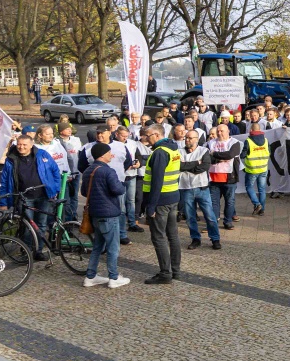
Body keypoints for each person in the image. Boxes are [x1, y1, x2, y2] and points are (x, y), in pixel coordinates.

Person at [0, 135, 62, 260]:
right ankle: (26, 252)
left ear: (31, 144)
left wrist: (55, 189)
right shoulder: (11, 160)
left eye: (24, 145)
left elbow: (55, 171)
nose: (21, 147)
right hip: (24, 198)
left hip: (44, 196)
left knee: (42, 225)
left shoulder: (42, 155)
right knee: (28, 227)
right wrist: (3, 202)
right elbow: (4, 181)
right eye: (19, 144)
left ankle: (38, 251)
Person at [81, 142, 130, 289]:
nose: (111, 155)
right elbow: (117, 189)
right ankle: (113, 278)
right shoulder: (108, 171)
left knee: (97, 246)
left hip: (95, 214)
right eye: (109, 152)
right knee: (113, 247)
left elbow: (84, 192)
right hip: (109, 214)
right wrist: (123, 186)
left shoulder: (88, 170)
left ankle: (90, 277)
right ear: (103, 155)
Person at [140, 124, 182, 284]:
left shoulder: (160, 153)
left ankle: (165, 273)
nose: (145, 138)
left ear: (157, 135)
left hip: (161, 201)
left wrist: (150, 207)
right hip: (172, 197)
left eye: (148, 135)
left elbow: (156, 181)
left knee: (159, 237)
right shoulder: (173, 149)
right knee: (173, 235)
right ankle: (175, 271)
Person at [179, 129, 221, 250]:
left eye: (190, 138)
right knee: (190, 216)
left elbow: (204, 167)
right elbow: (179, 166)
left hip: (202, 188)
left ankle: (215, 238)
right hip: (186, 188)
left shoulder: (204, 151)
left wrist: (187, 167)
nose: (187, 140)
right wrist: (196, 163)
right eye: (186, 137)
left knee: (209, 215)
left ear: (197, 139)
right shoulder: (179, 152)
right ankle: (195, 239)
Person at [207, 124, 242, 230]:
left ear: (228, 131)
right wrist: (219, 158)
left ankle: (228, 221)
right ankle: (214, 221)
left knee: (230, 201)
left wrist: (214, 154)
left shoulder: (235, 143)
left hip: (229, 178)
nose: (219, 133)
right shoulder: (210, 143)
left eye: (222, 131)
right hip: (213, 177)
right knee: (214, 201)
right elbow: (207, 158)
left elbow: (230, 155)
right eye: (218, 131)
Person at [241, 123, 269, 216]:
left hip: (252, 170)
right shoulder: (265, 140)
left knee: (249, 187)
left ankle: (257, 204)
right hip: (263, 168)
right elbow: (270, 152)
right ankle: (262, 210)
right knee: (262, 189)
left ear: (251, 130)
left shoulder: (248, 141)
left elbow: (243, 155)